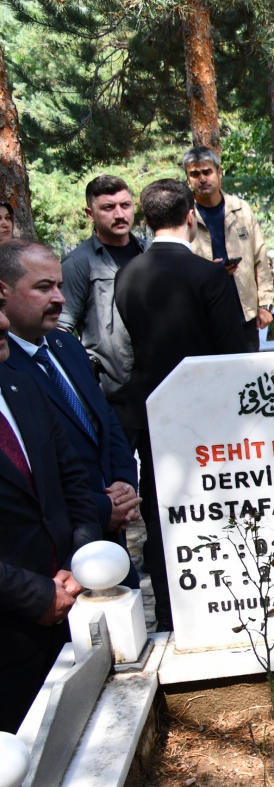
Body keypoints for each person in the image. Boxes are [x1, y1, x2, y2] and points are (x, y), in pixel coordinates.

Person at [113, 180, 251, 630]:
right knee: (215, 511)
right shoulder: (208, 275)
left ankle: (170, 614)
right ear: (191, 215)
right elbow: (233, 356)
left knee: (161, 512)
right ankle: (223, 603)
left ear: (145, 219)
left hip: (152, 412)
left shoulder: (127, 274)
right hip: (208, 417)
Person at [0, 242, 141, 575]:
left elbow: (105, 421)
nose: (59, 299)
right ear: (4, 291)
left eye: (59, 286)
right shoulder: (7, 368)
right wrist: (100, 508)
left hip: (110, 536)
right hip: (57, 555)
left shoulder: (66, 344)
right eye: (43, 287)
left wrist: (124, 483)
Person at [0, 291, 102, 732]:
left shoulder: (22, 385)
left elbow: (73, 480)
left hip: (68, 612)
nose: (3, 323)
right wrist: (35, 595)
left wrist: (79, 562)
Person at [182, 146, 274, 352]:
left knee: (247, 371)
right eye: (195, 174)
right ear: (188, 178)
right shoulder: (183, 216)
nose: (202, 179)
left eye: (207, 172)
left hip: (244, 314)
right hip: (203, 319)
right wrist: (211, 272)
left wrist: (265, 304)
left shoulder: (241, 209)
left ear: (219, 172)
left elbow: (260, 257)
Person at [61, 175, 146, 398]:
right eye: (108, 207)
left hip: (159, 380)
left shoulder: (150, 252)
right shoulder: (77, 263)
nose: (119, 214)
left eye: (125, 205)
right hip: (113, 391)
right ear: (90, 214)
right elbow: (60, 331)